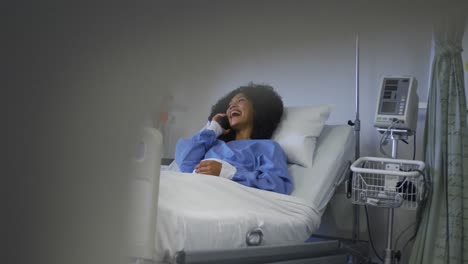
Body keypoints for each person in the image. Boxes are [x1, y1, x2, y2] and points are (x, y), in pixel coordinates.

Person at [175, 83, 293, 195]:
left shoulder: (267, 147)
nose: (232, 106)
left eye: (241, 100)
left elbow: (278, 186)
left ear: (257, 108)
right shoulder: (213, 143)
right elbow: (185, 163)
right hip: (191, 190)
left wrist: (228, 173)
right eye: (229, 105)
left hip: (223, 198)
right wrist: (213, 129)